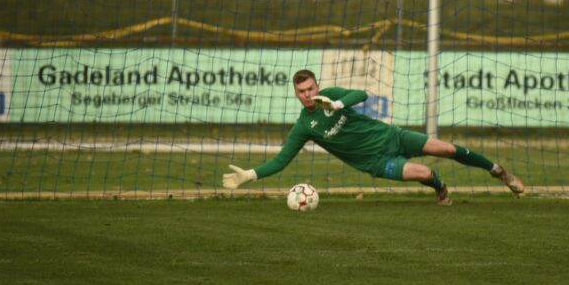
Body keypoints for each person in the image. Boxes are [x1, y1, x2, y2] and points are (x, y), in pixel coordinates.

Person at [221, 69, 525, 205]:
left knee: (445, 148)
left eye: (312, 88)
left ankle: (498, 171)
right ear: (296, 95)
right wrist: (250, 174)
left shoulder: (332, 95)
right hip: (377, 161)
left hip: (392, 137)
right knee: (427, 171)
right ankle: (440, 188)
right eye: (302, 92)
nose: (309, 94)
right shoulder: (305, 126)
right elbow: (281, 160)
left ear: (317, 86)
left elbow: (363, 93)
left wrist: (338, 103)